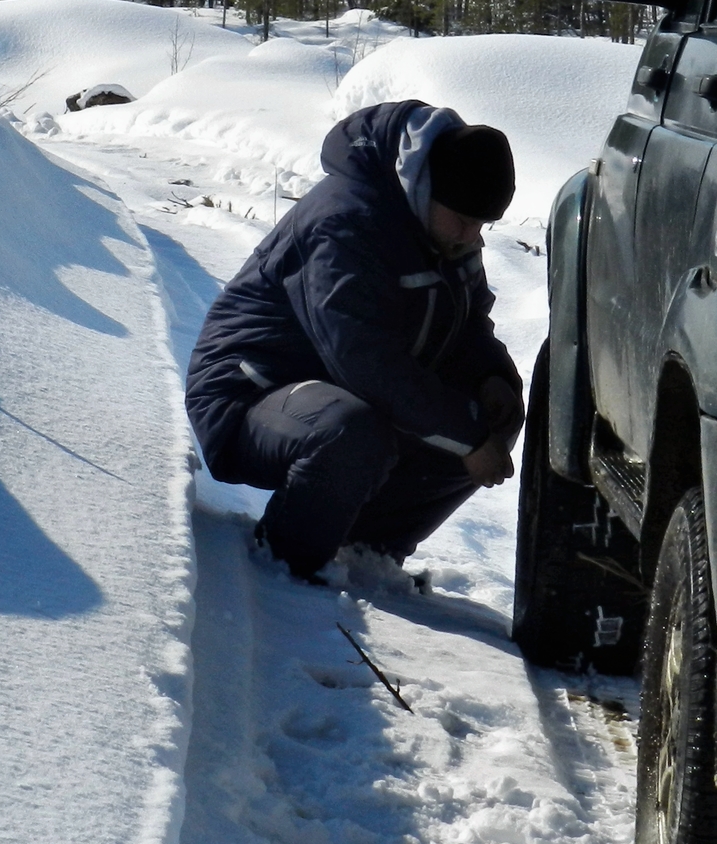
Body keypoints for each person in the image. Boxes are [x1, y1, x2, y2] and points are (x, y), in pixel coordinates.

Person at [186, 100, 524, 581]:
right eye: (463, 219)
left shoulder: (446, 233)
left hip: (337, 392)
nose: (472, 235)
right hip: (250, 391)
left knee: (492, 413)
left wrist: (490, 378)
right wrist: (466, 435)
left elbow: (467, 322)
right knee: (353, 430)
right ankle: (285, 573)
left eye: (482, 225)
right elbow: (362, 358)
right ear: (425, 188)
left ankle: (366, 553)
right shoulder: (346, 221)